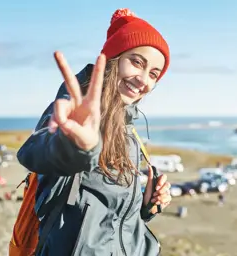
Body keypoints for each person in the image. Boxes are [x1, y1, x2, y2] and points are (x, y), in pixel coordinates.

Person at [15, 8, 171, 256]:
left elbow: (109, 218)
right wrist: (75, 146)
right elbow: (33, 153)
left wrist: (145, 205)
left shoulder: (128, 130)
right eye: (137, 62)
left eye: (153, 74)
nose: (144, 79)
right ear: (112, 58)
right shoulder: (77, 111)